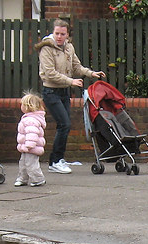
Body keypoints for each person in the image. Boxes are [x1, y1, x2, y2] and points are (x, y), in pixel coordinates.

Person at [35, 19, 105, 174]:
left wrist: (91, 73)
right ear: (53, 32)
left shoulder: (69, 47)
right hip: (51, 91)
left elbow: (76, 66)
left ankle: (59, 159)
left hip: (64, 92)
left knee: (65, 126)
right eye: (57, 33)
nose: (59, 37)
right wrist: (71, 81)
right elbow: (49, 73)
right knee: (64, 124)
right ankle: (54, 161)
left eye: (62, 34)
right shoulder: (46, 48)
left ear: (67, 35)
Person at [14, 91, 46, 187]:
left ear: (28, 106)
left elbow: (32, 133)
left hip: (30, 147)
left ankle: (38, 179)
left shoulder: (30, 120)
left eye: (23, 105)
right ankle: (22, 179)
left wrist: (29, 145)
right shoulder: (28, 118)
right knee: (23, 164)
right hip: (26, 147)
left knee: (31, 164)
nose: (21, 107)